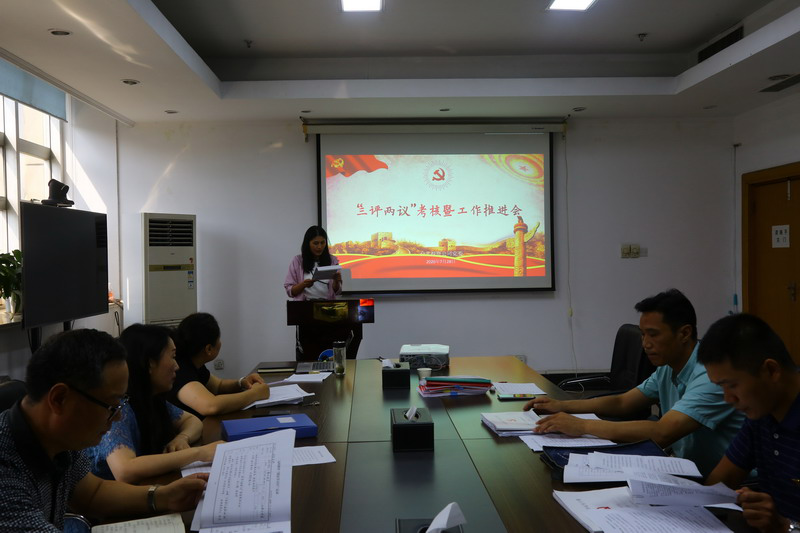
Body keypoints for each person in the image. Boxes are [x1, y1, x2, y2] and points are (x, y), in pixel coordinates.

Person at [0, 328, 208, 531]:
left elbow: (93, 494)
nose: (118, 416)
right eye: (111, 405)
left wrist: (162, 496)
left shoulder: (59, 440)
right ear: (59, 399)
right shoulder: (5, 473)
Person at [524, 288, 744, 475]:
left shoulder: (710, 375)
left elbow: (662, 432)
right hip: (685, 469)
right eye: (643, 334)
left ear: (684, 333)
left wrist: (581, 426)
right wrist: (561, 405)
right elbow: (623, 402)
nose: (645, 343)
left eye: (653, 334)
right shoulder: (668, 366)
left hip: (725, 484)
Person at [699, 314, 800, 532]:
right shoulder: (761, 412)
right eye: (721, 387)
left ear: (771, 371)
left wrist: (785, 527)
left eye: (732, 385)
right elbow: (719, 483)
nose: (728, 398)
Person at [86, 324, 221, 483]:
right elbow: (125, 470)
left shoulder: (151, 398)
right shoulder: (120, 406)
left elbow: (192, 421)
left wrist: (182, 438)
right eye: (172, 357)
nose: (177, 366)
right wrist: (199, 453)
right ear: (150, 363)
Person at [169, 312, 270, 419]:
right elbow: (211, 406)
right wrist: (255, 394)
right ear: (208, 349)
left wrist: (241, 383)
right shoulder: (180, 369)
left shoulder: (194, 362)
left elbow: (218, 386)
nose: (220, 343)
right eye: (219, 339)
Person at [284, 225, 342, 301]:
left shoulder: (332, 260)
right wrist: (303, 285)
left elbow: (337, 292)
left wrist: (336, 281)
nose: (319, 247)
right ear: (308, 244)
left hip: (327, 305)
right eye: (315, 243)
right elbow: (290, 291)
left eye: (322, 243)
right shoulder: (297, 261)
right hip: (304, 305)